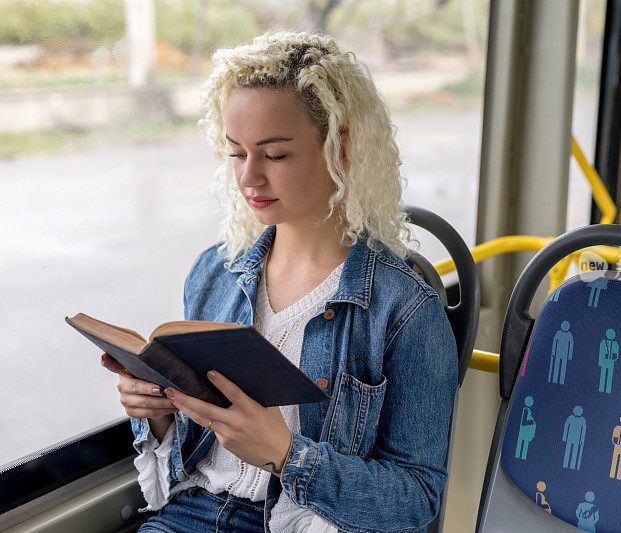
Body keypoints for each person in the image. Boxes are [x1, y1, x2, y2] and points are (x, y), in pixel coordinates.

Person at [101, 31, 458, 533]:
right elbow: (198, 445)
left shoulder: (405, 312)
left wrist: (287, 456)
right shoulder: (214, 274)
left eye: (274, 155)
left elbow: (416, 499)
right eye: (236, 153)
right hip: (192, 515)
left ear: (342, 148)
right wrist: (157, 413)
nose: (249, 178)